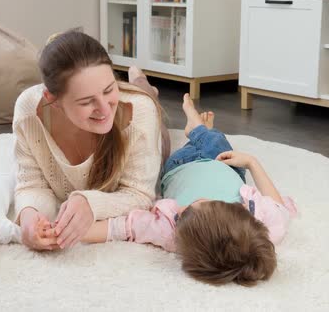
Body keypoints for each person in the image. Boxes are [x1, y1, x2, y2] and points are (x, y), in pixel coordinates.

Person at [79, 94, 297, 286]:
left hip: (182, 164)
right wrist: (251, 162)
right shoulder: (261, 226)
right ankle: (198, 128)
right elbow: (278, 205)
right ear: (236, 207)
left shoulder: (170, 230)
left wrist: (70, 232)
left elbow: (122, 228)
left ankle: (196, 132)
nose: (181, 207)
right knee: (217, 141)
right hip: (226, 164)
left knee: (172, 146)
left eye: (182, 212)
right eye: (200, 202)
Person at [13, 31, 168, 251]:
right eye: (87, 101)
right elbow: (31, 183)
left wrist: (91, 204)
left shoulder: (140, 112)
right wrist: (29, 217)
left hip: (147, 123)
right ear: (52, 100)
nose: (104, 109)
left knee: (151, 105)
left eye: (108, 89)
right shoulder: (29, 110)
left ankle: (142, 83)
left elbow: (140, 194)